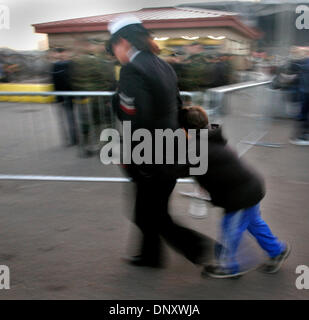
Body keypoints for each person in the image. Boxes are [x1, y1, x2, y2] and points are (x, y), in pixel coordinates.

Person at [107, 16, 217, 268]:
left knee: (148, 215)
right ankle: (150, 256)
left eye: (113, 47)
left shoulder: (132, 70)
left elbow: (138, 120)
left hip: (150, 155)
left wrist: (132, 157)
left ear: (122, 42)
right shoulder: (162, 64)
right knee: (152, 210)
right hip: (170, 149)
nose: (114, 53)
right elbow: (177, 106)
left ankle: (200, 248)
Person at [178, 106, 291, 278]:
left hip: (240, 196)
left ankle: (228, 265)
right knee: (254, 224)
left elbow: (179, 169)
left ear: (186, 130)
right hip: (250, 188)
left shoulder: (199, 147)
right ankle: (277, 250)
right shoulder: (210, 137)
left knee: (230, 228)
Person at [50, 47, 78, 147]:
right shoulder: (55, 66)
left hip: (70, 96)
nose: (61, 55)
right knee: (66, 119)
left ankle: (74, 139)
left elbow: (72, 79)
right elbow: (54, 83)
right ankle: (70, 139)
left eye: (62, 53)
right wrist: (57, 98)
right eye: (58, 53)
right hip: (62, 97)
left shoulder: (70, 64)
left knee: (71, 118)